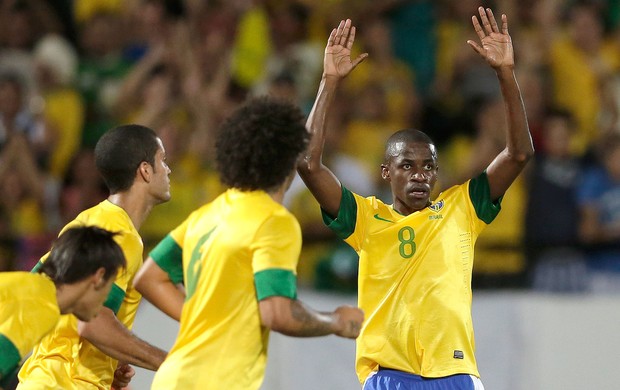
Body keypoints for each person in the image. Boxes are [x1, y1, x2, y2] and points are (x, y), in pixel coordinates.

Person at [297, 10, 533, 390]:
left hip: (456, 376)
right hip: (390, 377)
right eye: (407, 164)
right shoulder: (365, 217)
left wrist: (505, 74)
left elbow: (519, 154)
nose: (420, 174)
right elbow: (308, 165)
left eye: (429, 166)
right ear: (386, 172)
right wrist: (328, 81)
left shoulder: (462, 208)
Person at [133, 96, 364, 389]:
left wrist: (205, 319)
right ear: (291, 159)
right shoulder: (275, 221)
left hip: (173, 379)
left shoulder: (208, 214)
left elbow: (150, 276)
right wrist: (336, 321)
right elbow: (278, 312)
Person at [17, 124, 172, 390]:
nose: (168, 170)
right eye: (163, 160)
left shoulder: (88, 221)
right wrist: (171, 362)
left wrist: (106, 367)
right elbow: (92, 322)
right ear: (145, 170)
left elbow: (38, 290)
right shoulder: (120, 235)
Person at [0, 226, 126, 390]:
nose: (107, 297)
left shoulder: (33, 291)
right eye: (110, 286)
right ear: (98, 277)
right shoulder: (43, 305)